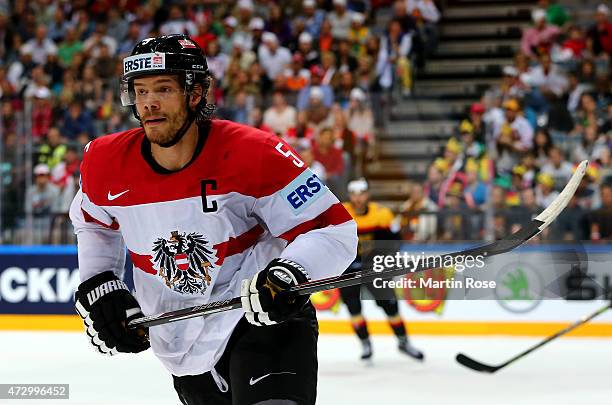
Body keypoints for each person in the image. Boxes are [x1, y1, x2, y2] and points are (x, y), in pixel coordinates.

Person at [69, 34, 357, 405]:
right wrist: (101, 283)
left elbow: (335, 229)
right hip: (180, 343)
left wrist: (290, 272)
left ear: (196, 94)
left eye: (163, 89)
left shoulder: (255, 153)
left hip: (260, 317)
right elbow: (93, 222)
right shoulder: (104, 161)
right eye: (140, 91)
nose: (149, 103)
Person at [340, 178, 424, 362]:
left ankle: (403, 342)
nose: (358, 198)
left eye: (361, 193)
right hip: (347, 269)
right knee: (354, 307)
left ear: (367, 194)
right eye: (354, 194)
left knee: (390, 305)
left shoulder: (382, 214)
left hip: (374, 268)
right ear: (349, 195)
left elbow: (394, 242)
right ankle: (365, 344)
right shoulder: (341, 212)